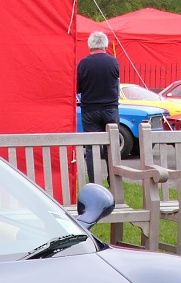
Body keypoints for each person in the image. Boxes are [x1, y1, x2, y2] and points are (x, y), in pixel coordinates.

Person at [76, 30, 119, 183]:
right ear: (105, 45)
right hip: (110, 108)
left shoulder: (83, 63)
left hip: (90, 109)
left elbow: (78, 87)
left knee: (91, 147)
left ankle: (94, 181)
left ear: (90, 45)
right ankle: (112, 179)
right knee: (111, 146)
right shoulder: (113, 62)